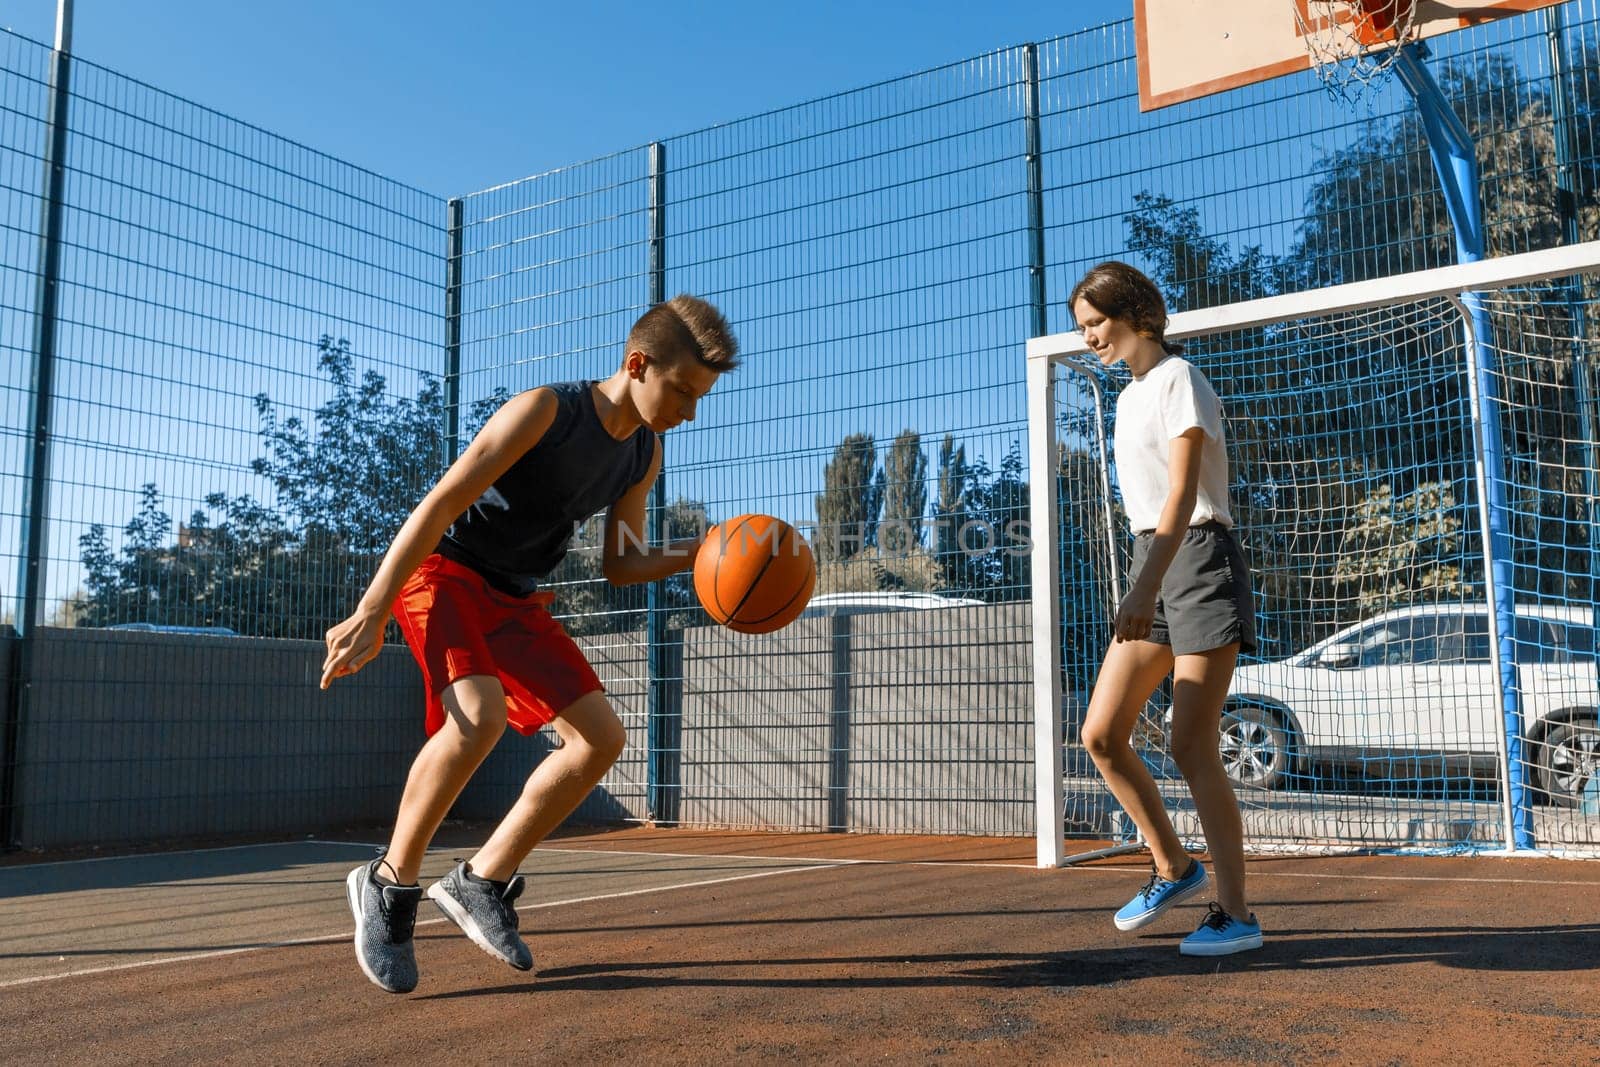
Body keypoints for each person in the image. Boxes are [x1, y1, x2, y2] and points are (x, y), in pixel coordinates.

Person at [321, 294, 739, 992]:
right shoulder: (545, 410)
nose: (690, 411)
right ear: (638, 364)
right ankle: (389, 882)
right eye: (683, 391)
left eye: (700, 398)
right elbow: (442, 501)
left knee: (601, 737)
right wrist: (375, 603)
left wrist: (708, 555)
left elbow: (621, 562)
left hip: (513, 595)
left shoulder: (644, 452)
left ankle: (481, 879)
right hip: (446, 573)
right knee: (478, 716)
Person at [1070, 262, 1262, 956]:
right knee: (1100, 734)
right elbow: (1152, 513)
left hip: (1200, 559)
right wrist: (1144, 578)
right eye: (1082, 326)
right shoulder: (1126, 400)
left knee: (1188, 742)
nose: (1088, 335)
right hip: (1153, 558)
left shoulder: (1181, 379)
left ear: (1136, 314)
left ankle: (1236, 912)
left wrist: (1144, 586)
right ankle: (1174, 865)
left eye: (1096, 321)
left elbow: (1183, 496)